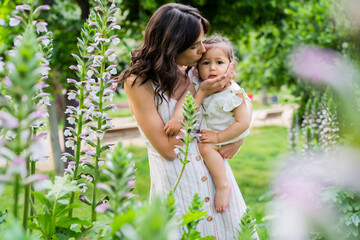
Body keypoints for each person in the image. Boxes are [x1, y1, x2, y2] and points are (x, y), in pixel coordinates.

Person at [119, 3, 253, 239]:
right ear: (172, 47)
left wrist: (239, 137)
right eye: (195, 45)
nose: (203, 50)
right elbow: (169, 150)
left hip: (218, 181)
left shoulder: (196, 70)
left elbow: (237, 102)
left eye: (202, 41)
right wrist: (200, 94)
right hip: (178, 186)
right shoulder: (138, 82)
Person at [165, 35, 252, 214]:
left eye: (219, 62)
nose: (212, 68)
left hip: (223, 135)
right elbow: (186, 101)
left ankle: (222, 186)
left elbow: (243, 123)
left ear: (230, 66)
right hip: (208, 134)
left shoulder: (234, 92)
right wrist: (176, 117)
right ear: (197, 67)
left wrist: (222, 138)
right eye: (206, 63)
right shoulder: (197, 84)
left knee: (206, 148)